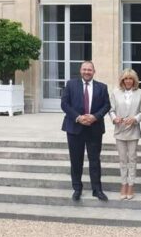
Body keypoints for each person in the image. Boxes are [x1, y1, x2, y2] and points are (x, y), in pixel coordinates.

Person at [61, 61, 110, 202]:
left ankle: (97, 190)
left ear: (94, 71)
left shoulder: (102, 87)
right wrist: (78, 117)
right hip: (75, 128)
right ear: (80, 71)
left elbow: (106, 105)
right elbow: (64, 104)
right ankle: (77, 188)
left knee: (95, 161)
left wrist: (95, 117)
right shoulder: (71, 85)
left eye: (90, 70)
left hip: (94, 128)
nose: (87, 72)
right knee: (76, 161)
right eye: (84, 69)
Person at [109, 69, 141, 200]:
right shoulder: (115, 93)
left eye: (130, 79)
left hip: (133, 130)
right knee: (122, 159)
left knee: (132, 159)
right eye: (126, 79)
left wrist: (135, 119)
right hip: (120, 130)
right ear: (122, 80)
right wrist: (114, 118)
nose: (128, 81)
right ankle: (123, 184)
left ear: (134, 80)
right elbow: (111, 109)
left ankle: (131, 185)